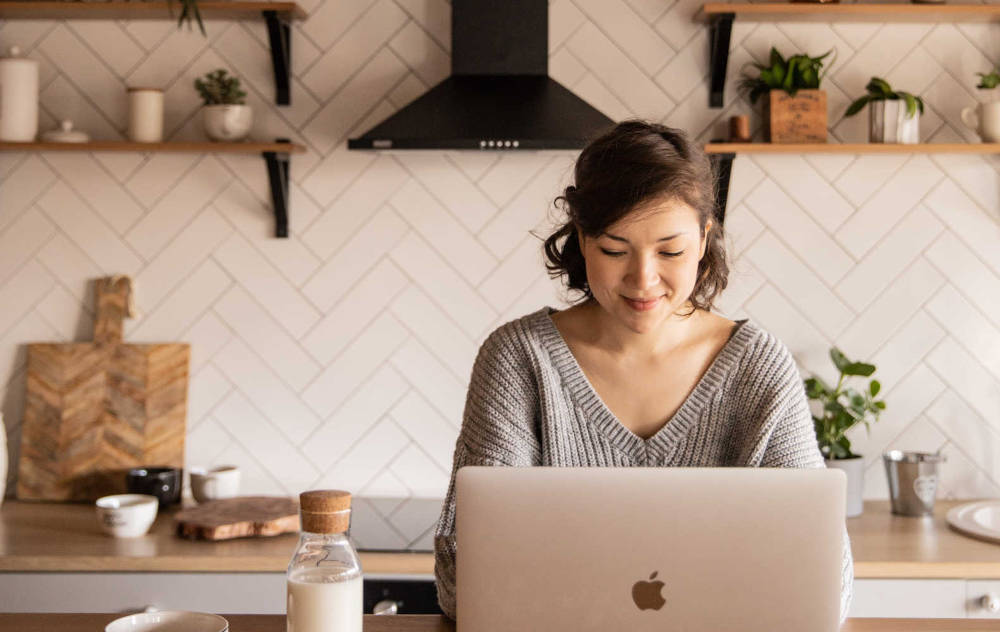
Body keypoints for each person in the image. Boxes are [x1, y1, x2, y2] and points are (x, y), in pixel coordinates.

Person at [433, 119, 853, 622]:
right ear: (582, 240)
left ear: (703, 239)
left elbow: (824, 581)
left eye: (670, 251)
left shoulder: (757, 368)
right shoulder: (519, 361)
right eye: (615, 250)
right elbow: (464, 583)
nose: (643, 279)